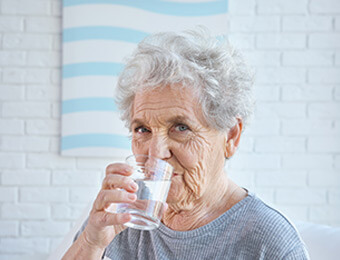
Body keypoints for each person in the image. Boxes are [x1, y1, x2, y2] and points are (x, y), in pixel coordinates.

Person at [62, 28, 309, 259]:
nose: (155, 154)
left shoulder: (270, 242)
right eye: (143, 129)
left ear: (231, 136)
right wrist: (91, 243)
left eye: (181, 128)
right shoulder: (125, 216)